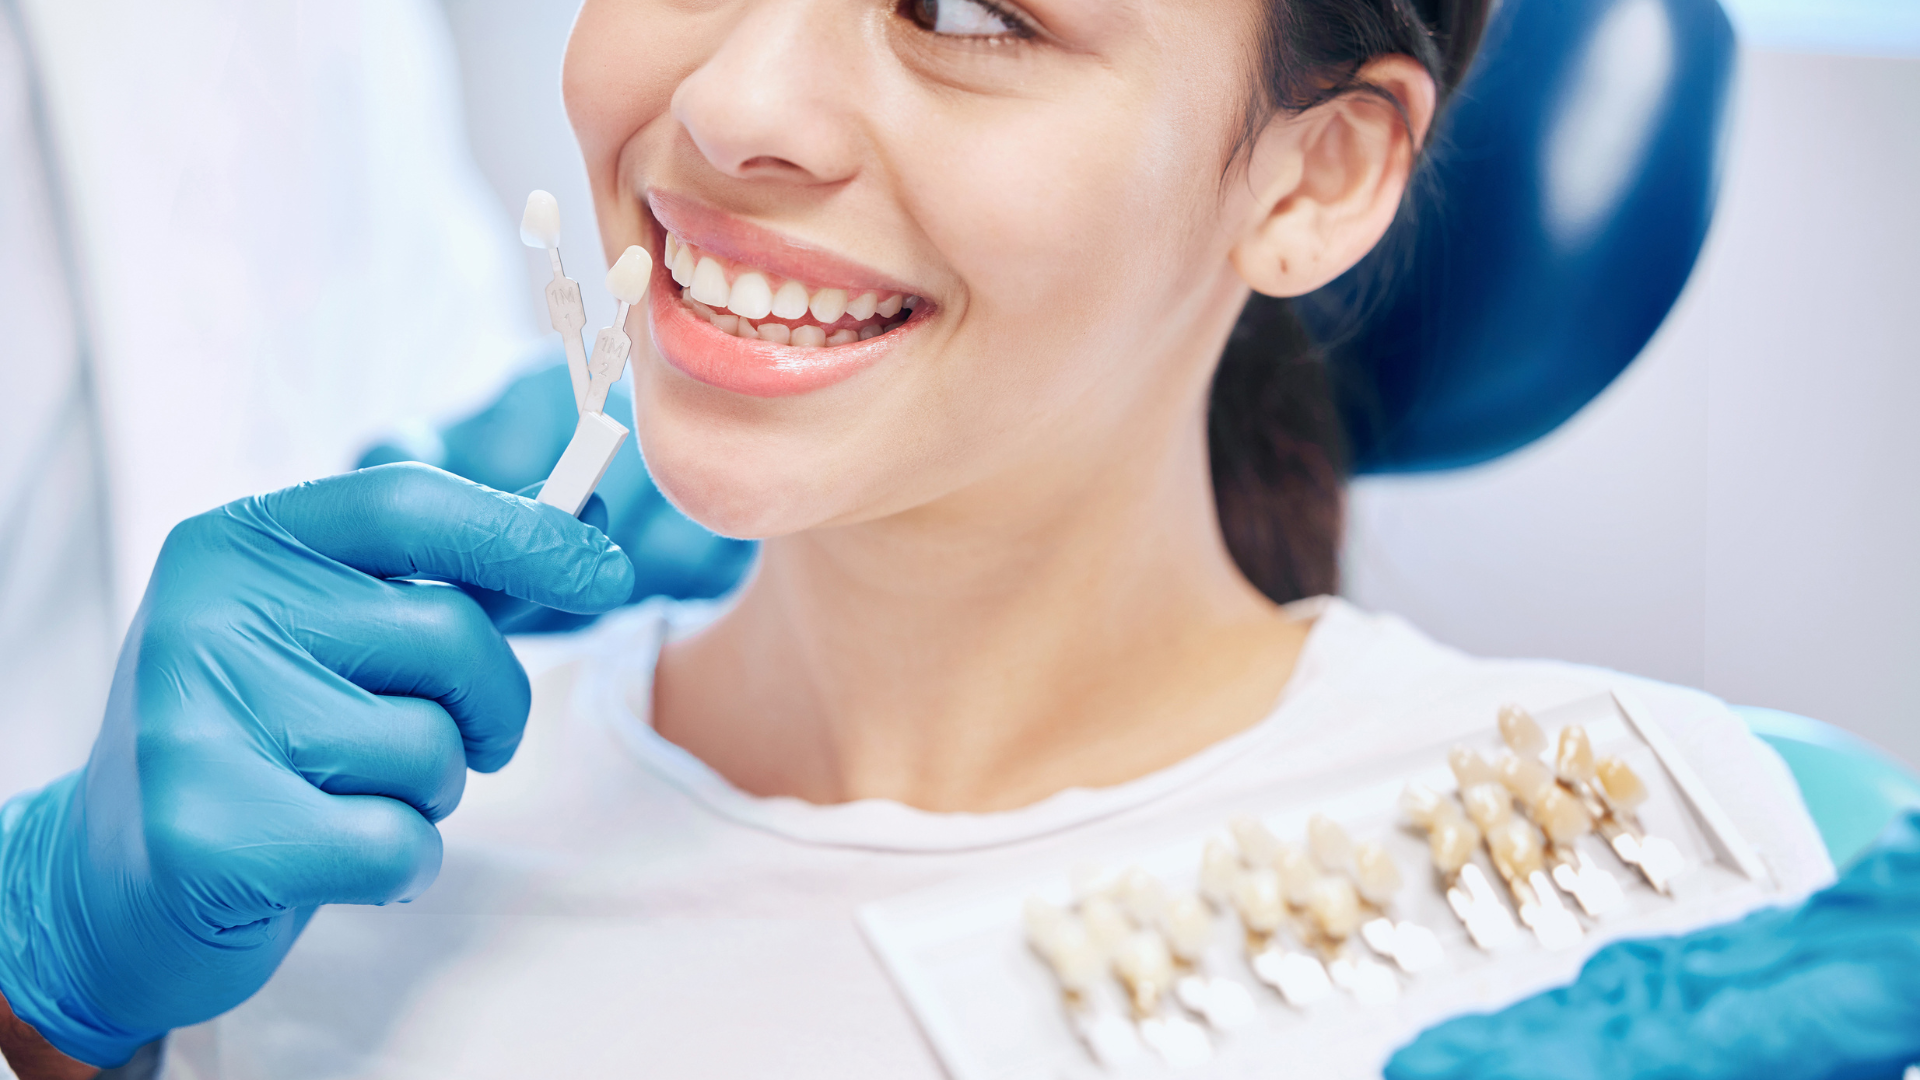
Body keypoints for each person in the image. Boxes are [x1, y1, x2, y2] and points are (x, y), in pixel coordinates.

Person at [0, 0, 1842, 1077]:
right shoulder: (307, 890)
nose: (729, 104)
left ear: (1314, 175)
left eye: (972, 10)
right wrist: (53, 1015)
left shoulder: (1680, 893)